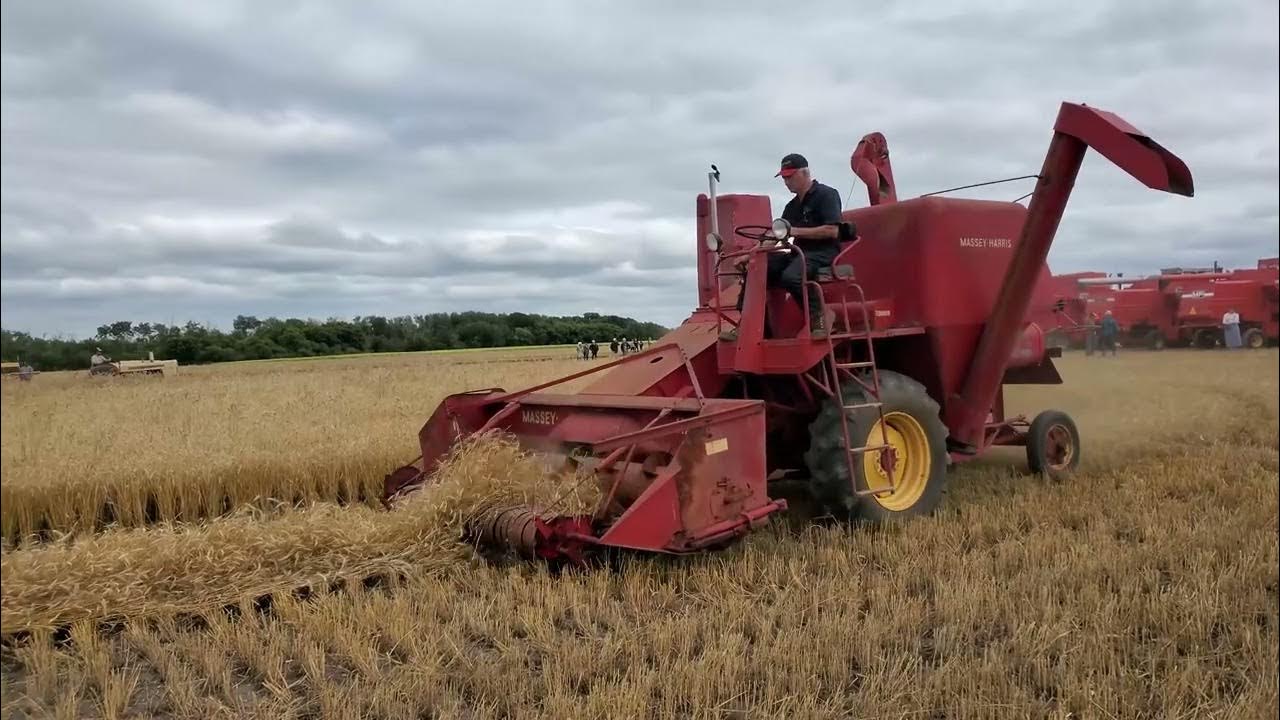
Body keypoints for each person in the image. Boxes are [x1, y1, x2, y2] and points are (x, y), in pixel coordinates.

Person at [722, 153, 843, 341]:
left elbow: (832, 231)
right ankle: (751, 325)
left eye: (790, 176)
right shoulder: (792, 206)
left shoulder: (827, 195)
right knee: (758, 270)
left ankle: (820, 316)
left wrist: (794, 231)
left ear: (805, 173)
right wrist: (751, 256)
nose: (787, 182)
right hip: (799, 253)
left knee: (791, 276)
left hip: (823, 252)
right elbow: (774, 233)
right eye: (784, 178)